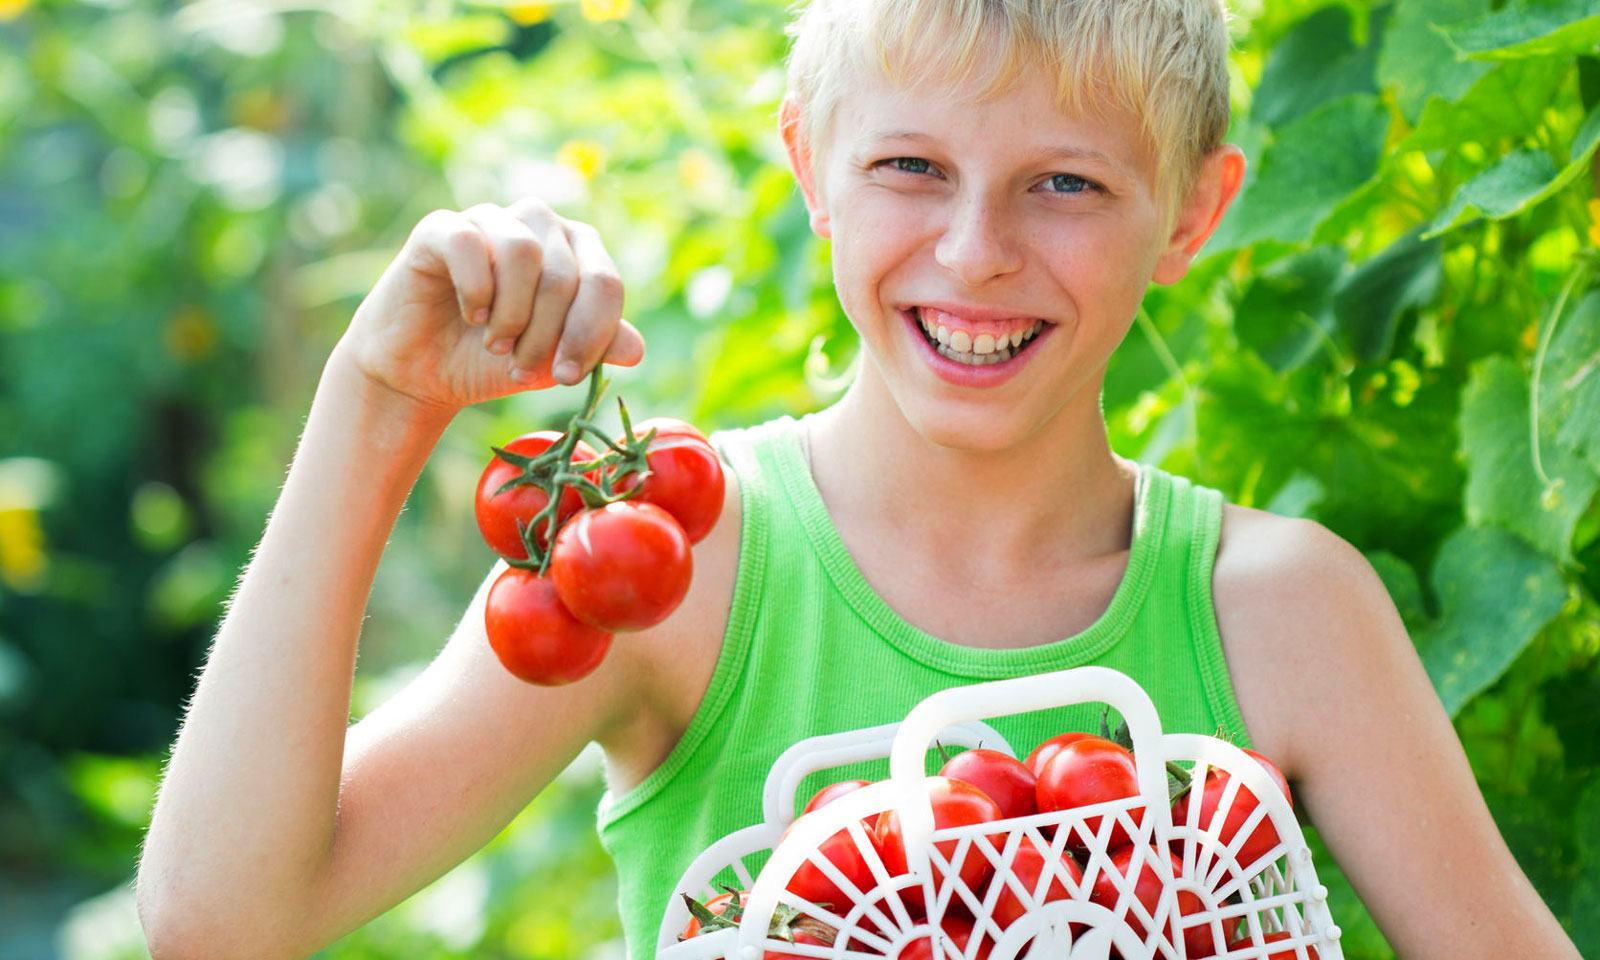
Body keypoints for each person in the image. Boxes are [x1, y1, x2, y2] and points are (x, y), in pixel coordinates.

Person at [135, 1, 1581, 958]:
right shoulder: (684, 573)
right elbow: (220, 919)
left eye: (1064, 183)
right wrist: (375, 405)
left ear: (1194, 210)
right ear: (810, 169)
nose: (974, 253)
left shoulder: (1285, 616)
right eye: (907, 167)